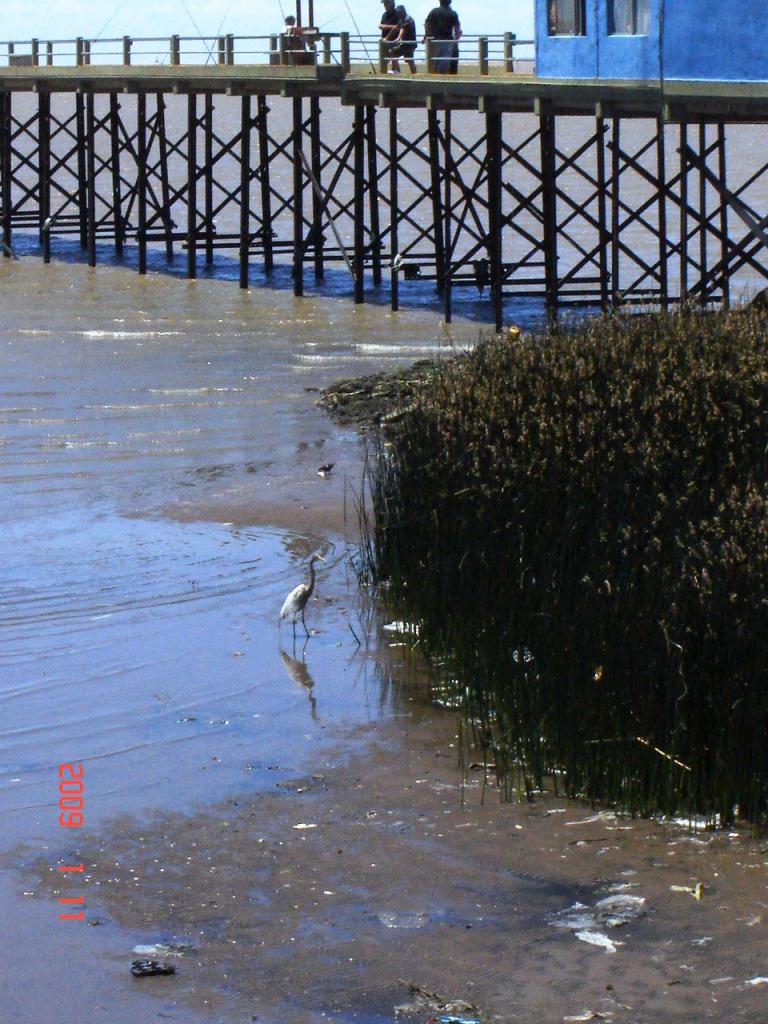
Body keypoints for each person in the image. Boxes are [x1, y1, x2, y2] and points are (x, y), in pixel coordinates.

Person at [424, 0, 461, 74]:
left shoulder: (434, 12)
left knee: (433, 64)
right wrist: (456, 41)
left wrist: (427, 34)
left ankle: (433, 80)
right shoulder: (453, 13)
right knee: (444, 65)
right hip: (448, 42)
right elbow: (457, 29)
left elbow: (427, 24)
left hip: (435, 41)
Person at [389, 5, 418, 74]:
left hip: (409, 44)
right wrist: (387, 38)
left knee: (409, 60)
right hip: (405, 44)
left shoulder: (408, 19)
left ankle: (414, 74)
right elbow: (395, 28)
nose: (398, 14)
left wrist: (398, 38)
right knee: (408, 59)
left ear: (403, 11)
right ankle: (398, 70)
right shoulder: (401, 19)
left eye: (399, 12)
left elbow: (403, 29)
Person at [379, 0, 401, 72]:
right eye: (384, 4)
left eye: (386, 3)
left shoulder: (397, 14)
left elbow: (398, 27)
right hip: (385, 40)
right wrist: (390, 27)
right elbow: (381, 25)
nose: (385, 5)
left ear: (391, 3)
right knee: (385, 57)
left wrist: (387, 27)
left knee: (393, 54)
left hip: (394, 39)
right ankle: (391, 70)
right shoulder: (384, 15)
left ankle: (395, 69)